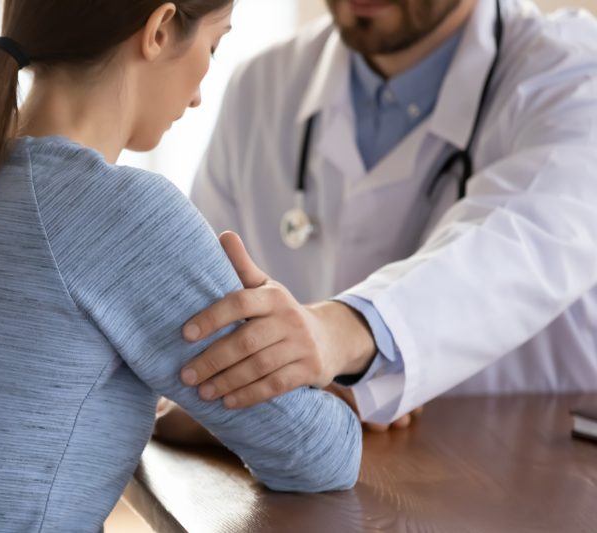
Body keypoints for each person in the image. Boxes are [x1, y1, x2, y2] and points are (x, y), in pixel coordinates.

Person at [0, 1, 363, 531]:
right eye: (212, 47)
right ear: (160, 29)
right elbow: (318, 456)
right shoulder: (120, 211)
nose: (197, 97)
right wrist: (312, 364)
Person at [168, 0, 597, 431]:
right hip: (312, 459)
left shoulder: (575, 73)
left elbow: (524, 240)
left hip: (523, 452)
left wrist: (339, 335)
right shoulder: (261, 84)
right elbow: (195, 324)